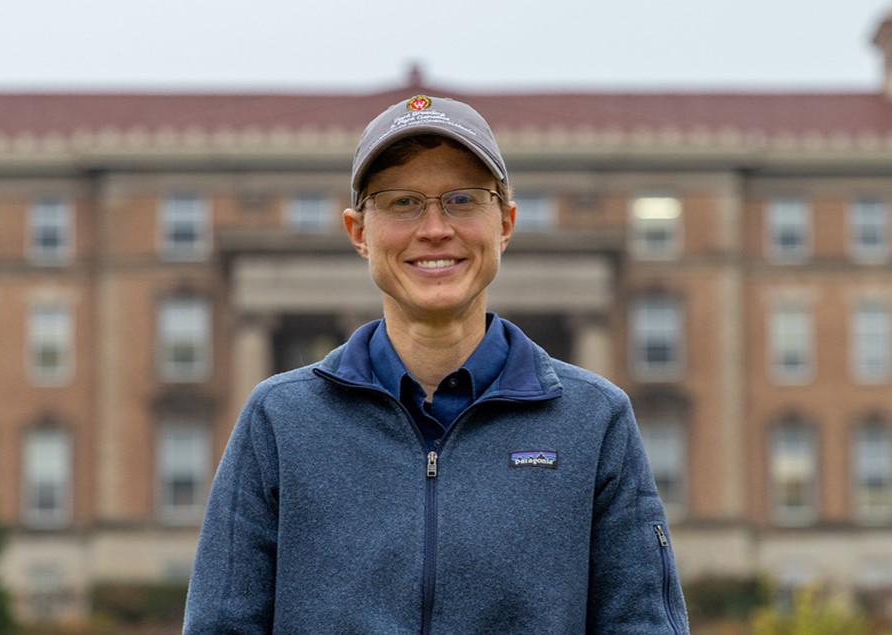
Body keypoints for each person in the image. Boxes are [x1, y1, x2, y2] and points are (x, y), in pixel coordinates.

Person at [183, 94, 690, 634]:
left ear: (506, 224)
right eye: (402, 202)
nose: (434, 229)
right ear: (359, 232)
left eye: (463, 199)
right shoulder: (280, 420)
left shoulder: (593, 418)